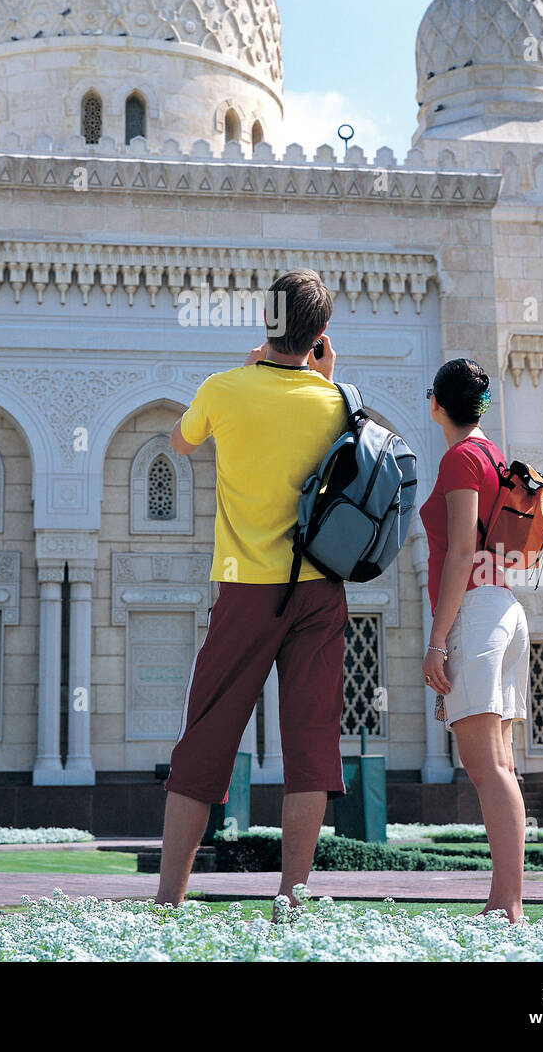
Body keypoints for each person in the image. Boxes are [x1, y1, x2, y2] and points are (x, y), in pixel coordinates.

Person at [155, 269, 349, 912]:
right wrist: (321, 382)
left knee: (207, 732)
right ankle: (293, 896)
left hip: (246, 590)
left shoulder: (224, 390)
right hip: (320, 590)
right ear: (320, 335)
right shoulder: (339, 403)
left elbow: (180, 443)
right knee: (311, 737)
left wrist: (250, 371)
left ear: (264, 324)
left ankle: (170, 897)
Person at [418, 358, 530, 923]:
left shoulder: (462, 457)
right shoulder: (493, 456)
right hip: (504, 606)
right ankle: (506, 902)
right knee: (500, 763)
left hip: (477, 612)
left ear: (437, 404)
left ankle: (507, 904)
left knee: (485, 765)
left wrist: (438, 640)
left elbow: (461, 550)